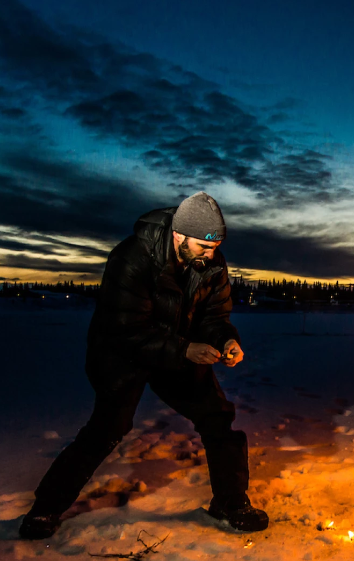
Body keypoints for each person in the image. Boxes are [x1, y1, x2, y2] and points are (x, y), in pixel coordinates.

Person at [20, 192, 268, 539]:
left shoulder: (212, 263)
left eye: (216, 246)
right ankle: (45, 508)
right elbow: (126, 329)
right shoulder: (131, 258)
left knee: (217, 417)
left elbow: (215, 315)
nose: (212, 254)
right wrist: (185, 349)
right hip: (124, 354)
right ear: (179, 235)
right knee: (108, 428)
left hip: (180, 351)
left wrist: (226, 340)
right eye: (203, 246)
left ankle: (229, 502)